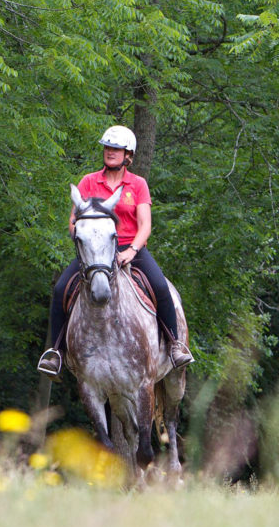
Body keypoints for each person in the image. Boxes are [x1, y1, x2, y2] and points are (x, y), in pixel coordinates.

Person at [37, 125, 194, 377]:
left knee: (161, 287)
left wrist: (132, 251)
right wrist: (82, 238)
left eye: (116, 148)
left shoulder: (138, 184)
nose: (110, 152)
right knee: (60, 289)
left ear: (128, 154)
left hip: (130, 248)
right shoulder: (88, 182)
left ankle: (175, 345)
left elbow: (145, 226)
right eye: (107, 147)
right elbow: (73, 221)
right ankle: (55, 352)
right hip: (95, 253)